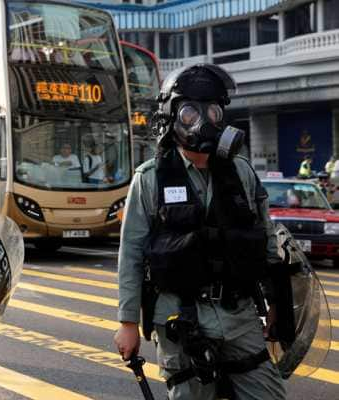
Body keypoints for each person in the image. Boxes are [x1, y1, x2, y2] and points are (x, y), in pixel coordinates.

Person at [113, 64, 287, 400]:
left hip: (239, 315)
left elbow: (265, 239)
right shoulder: (150, 178)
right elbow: (131, 254)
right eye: (191, 112)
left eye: (212, 110)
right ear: (172, 117)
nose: (204, 121)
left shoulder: (241, 173)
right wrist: (127, 323)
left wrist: (276, 302)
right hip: (180, 318)